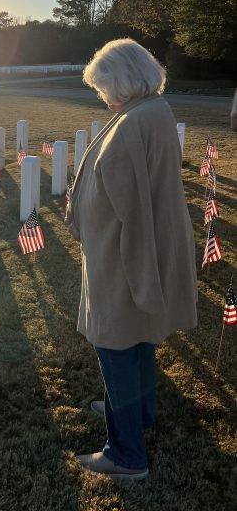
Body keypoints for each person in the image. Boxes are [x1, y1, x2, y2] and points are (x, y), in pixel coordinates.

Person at [65, 38, 197, 481]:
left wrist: (139, 273)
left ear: (121, 80)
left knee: (115, 341)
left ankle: (125, 454)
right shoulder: (152, 111)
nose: (103, 96)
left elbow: (129, 206)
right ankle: (138, 409)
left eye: (103, 86)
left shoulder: (131, 125)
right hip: (137, 248)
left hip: (122, 256)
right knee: (138, 335)